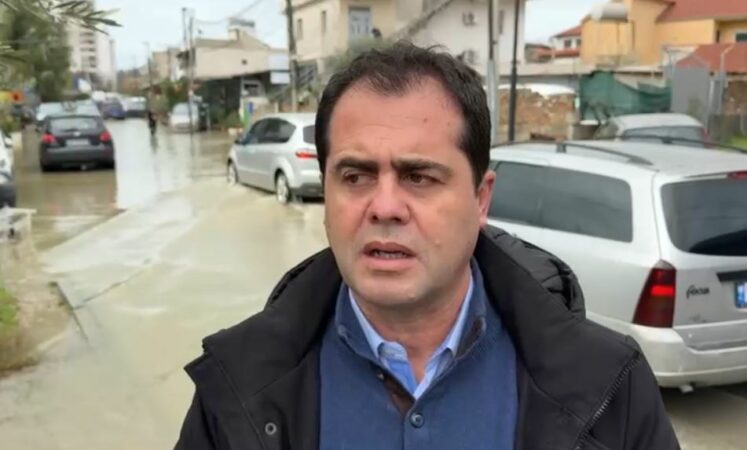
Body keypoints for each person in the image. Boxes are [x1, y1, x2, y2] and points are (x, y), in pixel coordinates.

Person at [175, 43, 679, 450]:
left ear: (480, 199)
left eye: (418, 177)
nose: (384, 207)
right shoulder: (236, 385)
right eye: (355, 176)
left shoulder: (609, 384)